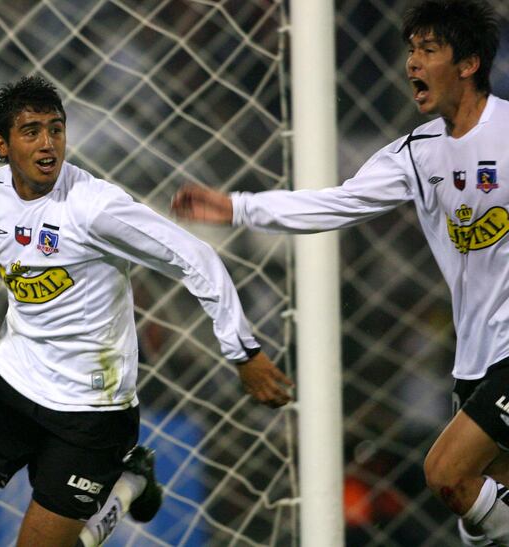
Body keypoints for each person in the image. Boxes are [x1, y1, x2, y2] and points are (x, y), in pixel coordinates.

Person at [0, 75, 292, 547]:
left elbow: (197, 258)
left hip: (92, 411)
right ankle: (125, 483)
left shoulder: (95, 208)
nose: (48, 143)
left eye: (56, 129)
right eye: (31, 132)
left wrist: (243, 351)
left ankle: (128, 486)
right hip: (14, 383)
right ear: (2, 144)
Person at [172, 0, 509, 544]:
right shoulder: (417, 155)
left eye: (428, 50)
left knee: (446, 473)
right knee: (484, 516)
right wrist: (238, 207)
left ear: (469, 63)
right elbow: (334, 204)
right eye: (410, 51)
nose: (412, 65)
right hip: (475, 359)